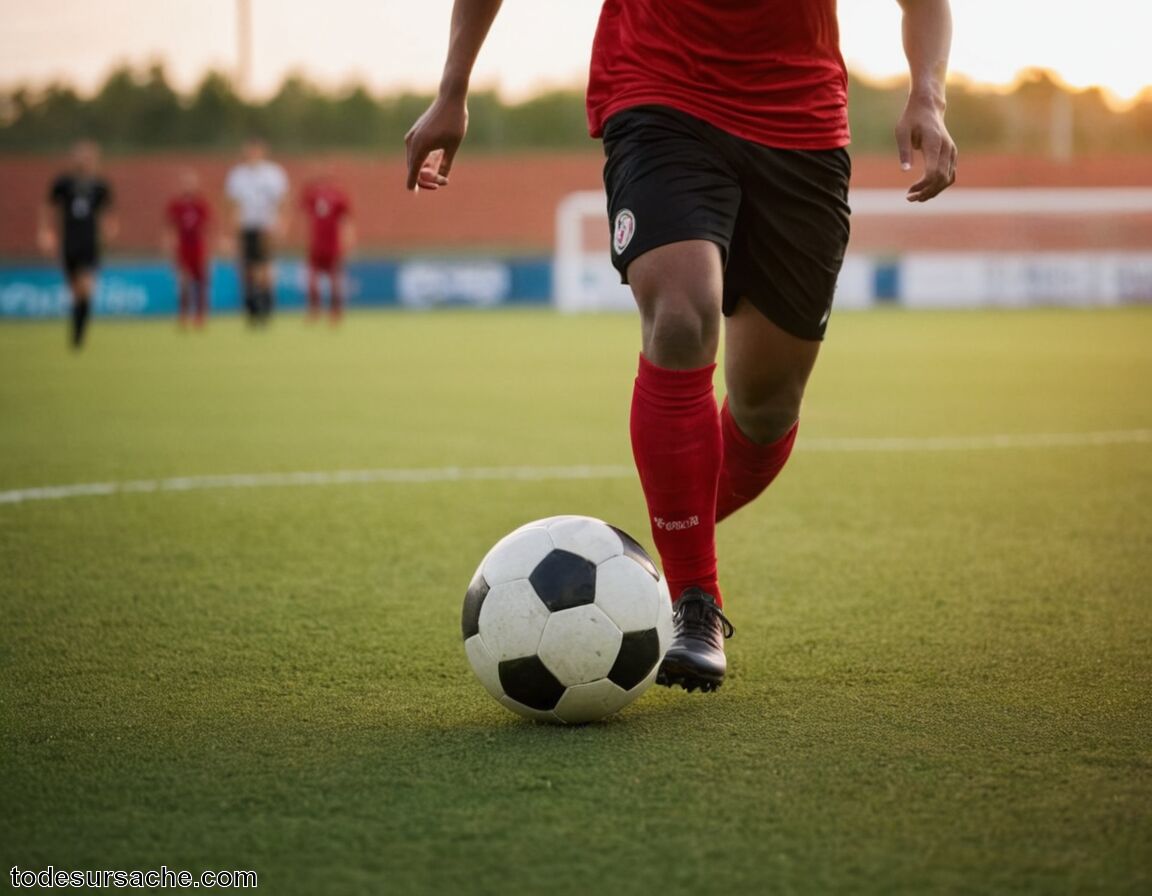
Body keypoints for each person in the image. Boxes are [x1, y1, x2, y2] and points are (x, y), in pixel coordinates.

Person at [405, 0, 958, 693]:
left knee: (766, 407)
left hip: (802, 125)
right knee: (680, 315)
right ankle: (695, 602)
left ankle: (670, 526)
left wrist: (927, 97)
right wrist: (452, 91)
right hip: (659, 94)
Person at [38, 140, 118, 349]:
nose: (84, 160)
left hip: (90, 243)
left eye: (88, 156)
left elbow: (109, 212)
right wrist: (45, 232)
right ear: (74, 158)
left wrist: (109, 230)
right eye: (81, 156)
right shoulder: (63, 183)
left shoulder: (100, 186)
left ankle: (79, 336)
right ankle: (76, 332)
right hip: (69, 243)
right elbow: (48, 206)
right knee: (75, 292)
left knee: (86, 288)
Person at [225, 137, 288, 324]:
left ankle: (266, 307)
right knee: (247, 269)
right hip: (246, 226)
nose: (253, 154)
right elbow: (232, 204)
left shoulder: (274, 173)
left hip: (266, 226)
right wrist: (233, 231)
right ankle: (251, 308)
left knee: (265, 268)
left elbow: (282, 200)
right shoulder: (237, 175)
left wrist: (282, 223)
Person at [298, 168, 354, 322]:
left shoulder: (338, 196)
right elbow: (306, 219)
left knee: (333, 279)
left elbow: (346, 221)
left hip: (331, 244)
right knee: (313, 280)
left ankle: (335, 311)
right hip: (317, 244)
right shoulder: (313, 195)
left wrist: (347, 240)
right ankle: (315, 310)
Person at [164, 169, 212, 328]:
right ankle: (183, 315)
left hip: (198, 246)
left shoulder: (201, 205)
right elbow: (169, 227)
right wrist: (170, 245)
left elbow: (208, 228)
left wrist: (209, 249)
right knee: (183, 282)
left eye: (191, 183)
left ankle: (200, 316)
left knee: (201, 281)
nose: (188, 186)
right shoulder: (176, 205)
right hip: (182, 246)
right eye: (185, 183)